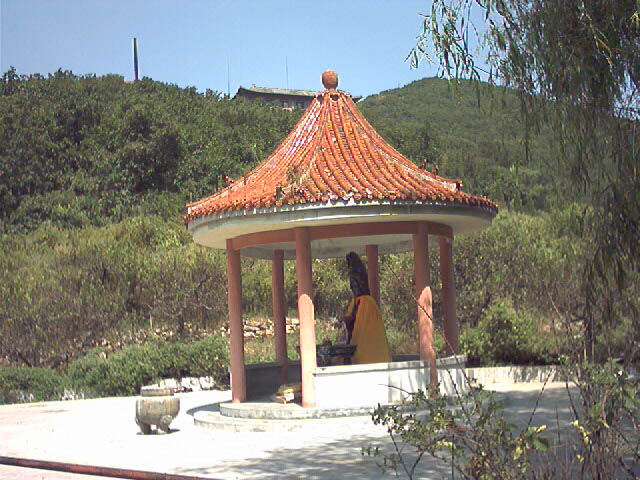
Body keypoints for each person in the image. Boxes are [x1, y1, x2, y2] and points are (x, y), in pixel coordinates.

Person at [341, 252, 392, 364]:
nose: (353, 285)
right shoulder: (355, 302)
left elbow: (363, 327)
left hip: (368, 350)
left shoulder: (366, 302)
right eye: (352, 282)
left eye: (356, 282)